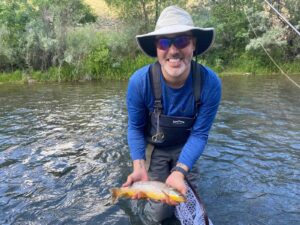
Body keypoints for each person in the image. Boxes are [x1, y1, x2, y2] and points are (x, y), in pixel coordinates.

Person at [123, 5, 221, 224]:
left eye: (182, 41)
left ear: (193, 45)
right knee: (159, 214)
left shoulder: (210, 83)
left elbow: (200, 134)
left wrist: (179, 171)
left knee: (185, 201)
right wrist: (138, 166)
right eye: (165, 42)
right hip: (155, 148)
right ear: (157, 48)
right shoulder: (139, 82)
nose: (173, 50)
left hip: (187, 148)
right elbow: (135, 128)